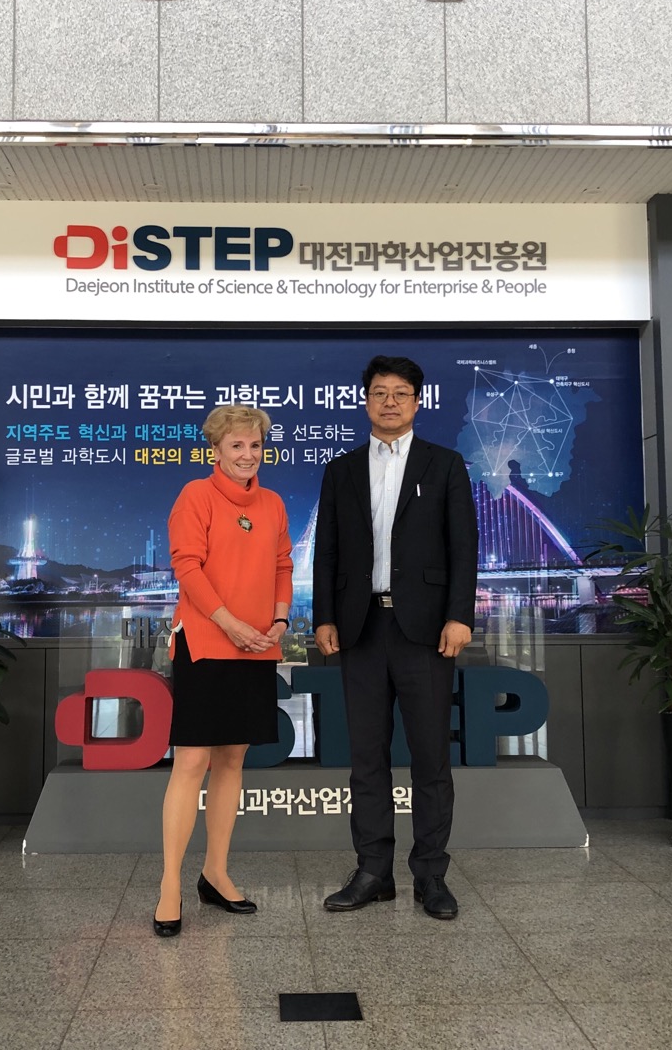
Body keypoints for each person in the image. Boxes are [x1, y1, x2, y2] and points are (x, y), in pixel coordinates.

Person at [312, 355, 478, 920]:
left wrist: (459, 615)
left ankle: (431, 875)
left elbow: (463, 547)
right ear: (366, 401)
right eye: (379, 392)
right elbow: (327, 551)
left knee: (430, 758)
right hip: (360, 627)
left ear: (416, 402)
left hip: (426, 630)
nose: (389, 401)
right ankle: (373, 871)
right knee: (366, 758)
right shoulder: (340, 470)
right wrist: (325, 615)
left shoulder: (445, 464)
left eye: (400, 393)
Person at [154, 405, 293, 938]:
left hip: (256, 644)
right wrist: (229, 623)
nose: (247, 455)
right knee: (192, 760)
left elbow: (283, 565)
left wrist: (280, 620)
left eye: (255, 445)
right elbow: (186, 566)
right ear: (216, 450)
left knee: (233, 759)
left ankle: (215, 872)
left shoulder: (273, 503)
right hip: (207, 641)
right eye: (237, 445)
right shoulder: (195, 495)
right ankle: (170, 885)